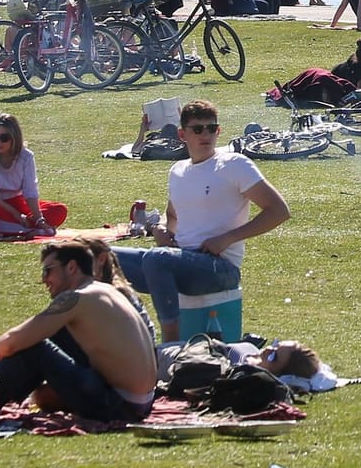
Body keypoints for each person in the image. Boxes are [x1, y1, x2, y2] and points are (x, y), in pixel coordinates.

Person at [112, 100, 290, 342]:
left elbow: (278, 211)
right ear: (182, 134)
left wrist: (228, 238)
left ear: (218, 131)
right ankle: (127, 337)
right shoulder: (177, 170)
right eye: (197, 129)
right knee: (99, 256)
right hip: (181, 260)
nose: (205, 134)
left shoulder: (235, 164)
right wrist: (161, 229)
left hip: (219, 266)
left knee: (157, 259)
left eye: (211, 128)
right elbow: (173, 215)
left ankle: (170, 343)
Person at [0, 240, 159, 421]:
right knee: (49, 338)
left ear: (72, 267)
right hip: (140, 403)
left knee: (34, 346)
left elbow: (11, 343)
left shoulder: (76, 298)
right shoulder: (106, 290)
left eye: (48, 270)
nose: (43, 279)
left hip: (119, 405)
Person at [0, 113, 67, 237]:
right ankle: (25, 229)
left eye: (4, 138)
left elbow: (30, 192)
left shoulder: (26, 157)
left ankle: (18, 227)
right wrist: (16, 215)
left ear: (14, 138)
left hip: (18, 203)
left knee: (59, 210)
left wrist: (39, 219)